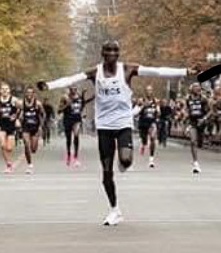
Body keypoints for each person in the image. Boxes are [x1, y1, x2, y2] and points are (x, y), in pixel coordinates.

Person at [37, 40, 192, 226]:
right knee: (106, 172)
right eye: (108, 50)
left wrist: (185, 71)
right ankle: (114, 209)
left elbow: (157, 71)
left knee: (125, 160)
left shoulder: (127, 69)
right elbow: (72, 79)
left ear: (118, 53)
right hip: (104, 126)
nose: (111, 53)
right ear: (102, 53)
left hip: (123, 123)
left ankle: (123, 160)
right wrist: (49, 85)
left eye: (115, 50)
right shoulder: (95, 72)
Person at [59, 86, 91, 167]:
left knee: (76, 135)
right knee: (69, 139)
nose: (74, 91)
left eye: (75, 89)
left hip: (77, 119)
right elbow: (59, 110)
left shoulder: (79, 97)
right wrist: (67, 105)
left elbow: (82, 105)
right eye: (72, 89)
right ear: (69, 90)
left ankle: (76, 157)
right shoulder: (64, 98)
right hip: (67, 119)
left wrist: (83, 95)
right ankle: (69, 155)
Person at [0, 83, 21, 173]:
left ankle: (9, 162)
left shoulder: (14, 100)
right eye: (3, 89)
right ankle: (8, 164)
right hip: (1, 124)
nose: (4, 90)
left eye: (6, 89)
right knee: (2, 145)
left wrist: (16, 117)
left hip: (11, 125)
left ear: (9, 90)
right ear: (0, 91)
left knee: (9, 148)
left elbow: (20, 109)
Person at [184, 82, 210, 174]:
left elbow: (210, 111)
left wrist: (204, 119)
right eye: (195, 87)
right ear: (192, 89)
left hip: (201, 122)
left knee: (200, 143)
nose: (197, 89)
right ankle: (196, 164)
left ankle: (206, 136)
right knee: (193, 141)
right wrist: (186, 122)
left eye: (198, 87)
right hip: (193, 122)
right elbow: (186, 110)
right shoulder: (188, 99)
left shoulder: (203, 99)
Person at [20, 86, 45, 174]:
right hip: (25, 127)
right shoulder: (22, 103)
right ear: (25, 94)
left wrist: (41, 126)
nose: (29, 94)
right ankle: (29, 165)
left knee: (33, 149)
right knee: (26, 144)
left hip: (35, 127)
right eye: (28, 92)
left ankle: (33, 144)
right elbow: (18, 113)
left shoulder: (38, 103)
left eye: (31, 92)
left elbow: (43, 114)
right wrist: (18, 118)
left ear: (34, 94)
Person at [137, 86, 160, 168]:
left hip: (152, 122)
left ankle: (151, 159)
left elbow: (158, 112)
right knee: (144, 141)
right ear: (145, 92)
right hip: (143, 123)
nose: (149, 92)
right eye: (147, 90)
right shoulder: (141, 100)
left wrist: (157, 108)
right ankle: (143, 144)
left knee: (153, 138)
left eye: (150, 90)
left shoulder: (155, 101)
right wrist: (143, 105)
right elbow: (137, 112)